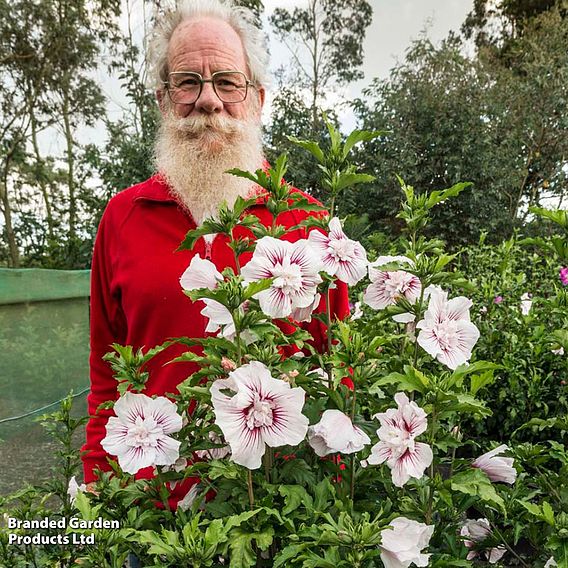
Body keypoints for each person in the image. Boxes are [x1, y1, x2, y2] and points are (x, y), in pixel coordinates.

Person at [81, 0, 349, 505]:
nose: (208, 101)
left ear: (258, 99)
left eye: (227, 82)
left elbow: (339, 369)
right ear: (163, 99)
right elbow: (106, 377)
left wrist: (331, 501)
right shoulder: (123, 217)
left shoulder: (306, 221)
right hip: (154, 509)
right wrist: (99, 497)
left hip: (281, 507)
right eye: (188, 82)